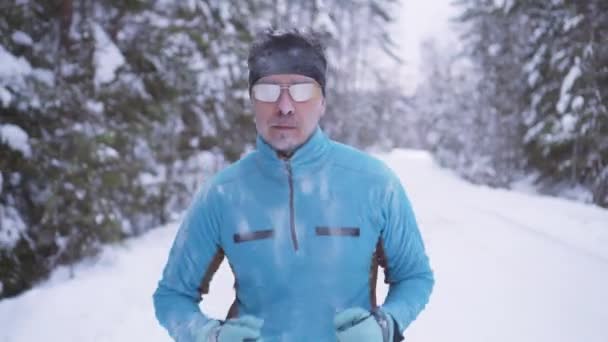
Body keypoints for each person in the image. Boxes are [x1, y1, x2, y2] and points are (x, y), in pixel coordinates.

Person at [153, 28, 434, 342]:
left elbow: (415, 277)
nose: (285, 106)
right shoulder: (221, 194)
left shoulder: (376, 183)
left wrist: (387, 325)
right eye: (268, 91)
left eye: (301, 90)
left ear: (323, 101)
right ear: (251, 102)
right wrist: (208, 335)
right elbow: (171, 296)